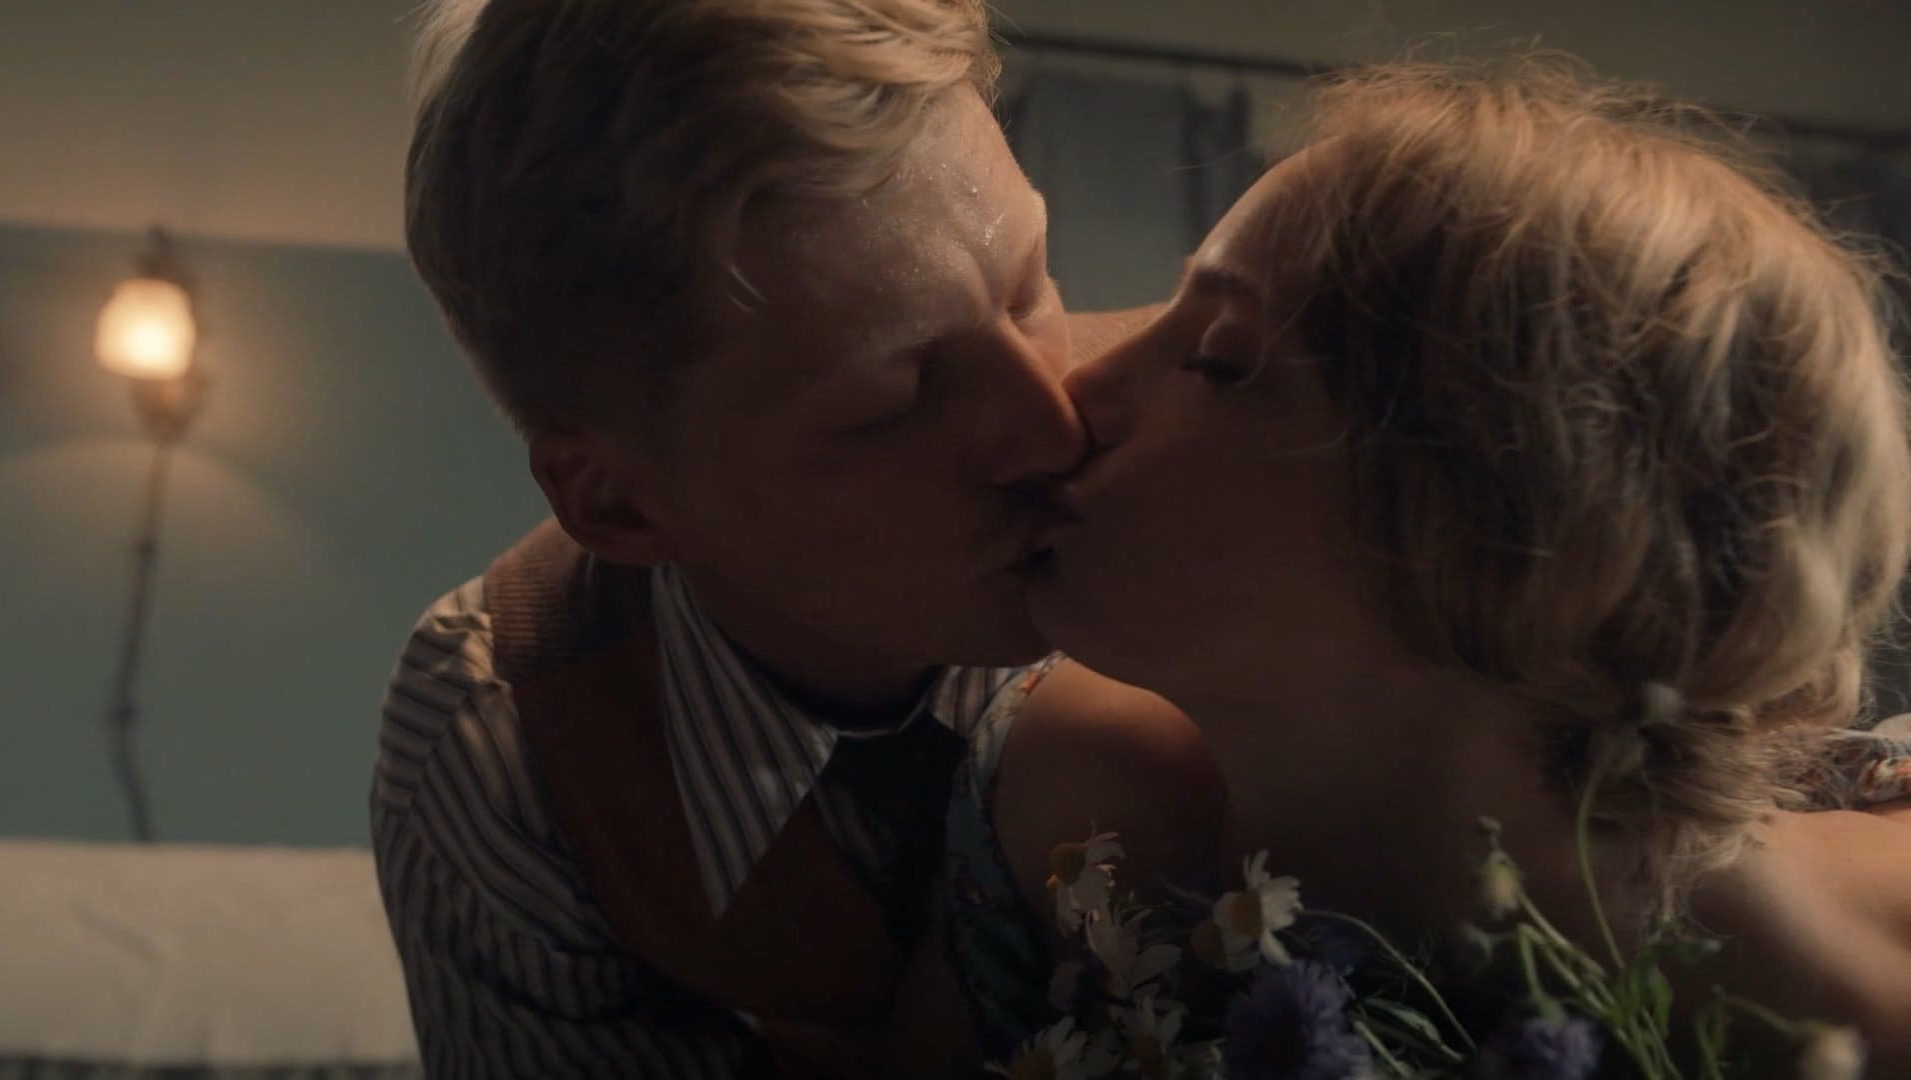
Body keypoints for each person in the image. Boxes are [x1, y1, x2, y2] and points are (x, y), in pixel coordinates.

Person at [928, 58, 1911, 1073]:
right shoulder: (1076, 822)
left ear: (1515, 543)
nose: (1079, 389)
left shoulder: (1849, 1010)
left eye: (1220, 357)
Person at [369, 0, 1202, 1075]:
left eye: (1029, 285)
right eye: (894, 399)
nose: (1051, 431)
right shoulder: (508, 750)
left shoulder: (1245, 459)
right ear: (621, 505)